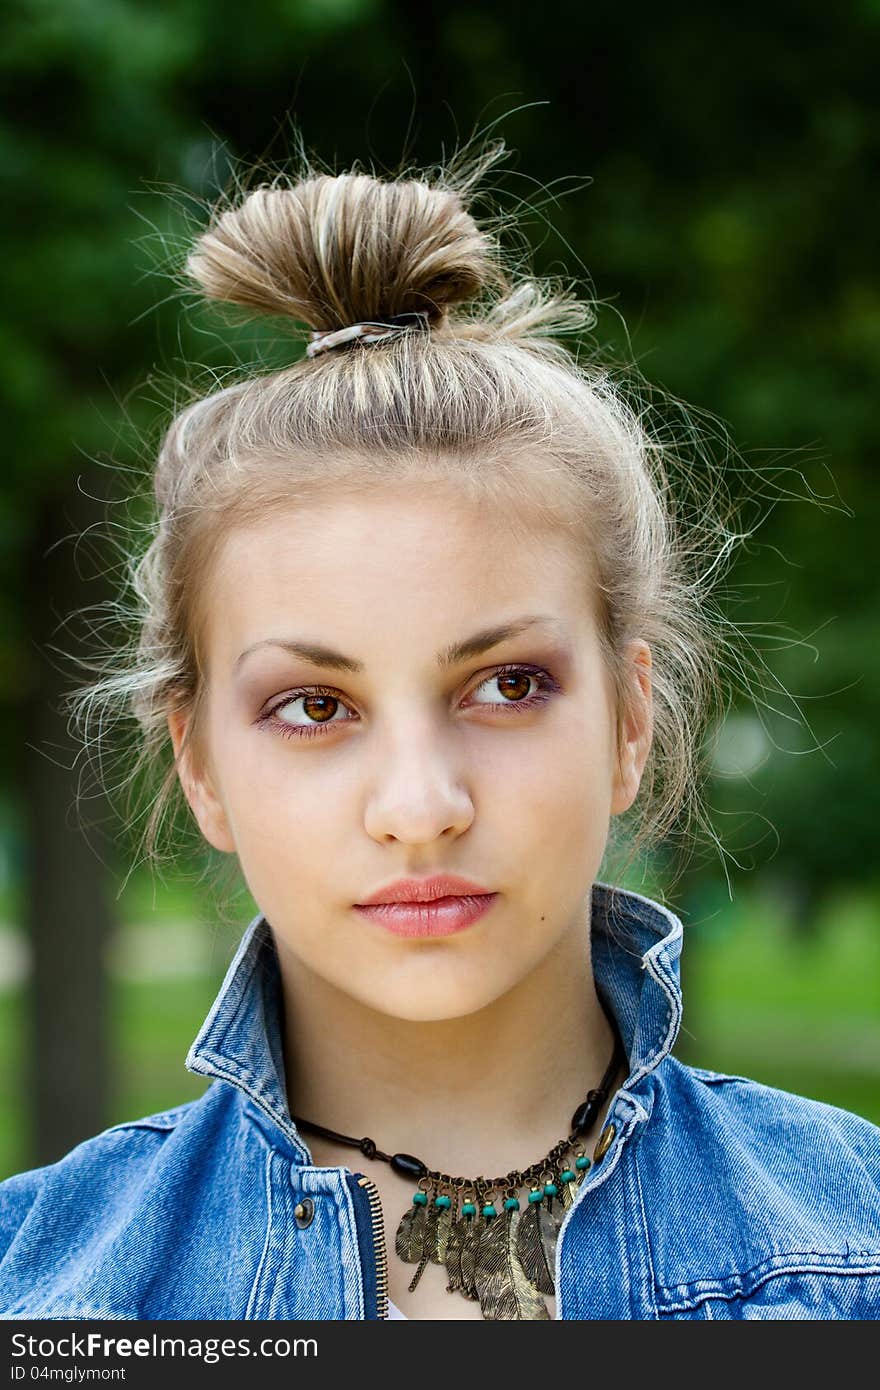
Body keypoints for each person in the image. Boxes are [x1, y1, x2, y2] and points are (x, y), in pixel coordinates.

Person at [1, 140, 878, 1322]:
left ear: (629, 718)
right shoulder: (42, 1295)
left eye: (506, 685)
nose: (420, 806)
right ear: (198, 763)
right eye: (315, 707)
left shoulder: (852, 1254)